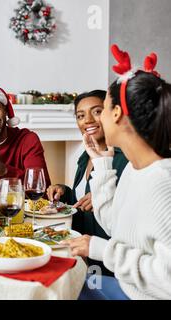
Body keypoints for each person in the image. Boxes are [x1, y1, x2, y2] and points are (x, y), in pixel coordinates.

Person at [62, 45, 171, 300]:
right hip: (126, 288)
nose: (93, 121)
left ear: (117, 114)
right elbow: (115, 224)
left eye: (102, 110)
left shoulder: (163, 183)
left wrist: (102, 250)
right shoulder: (136, 169)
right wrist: (101, 164)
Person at [46, 90, 128, 276]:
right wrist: (64, 192)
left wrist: (106, 197)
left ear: (112, 114)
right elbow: (81, 198)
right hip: (86, 251)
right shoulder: (85, 157)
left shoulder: (125, 158)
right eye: (80, 116)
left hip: (111, 257)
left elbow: (130, 205)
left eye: (97, 111)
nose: (88, 120)